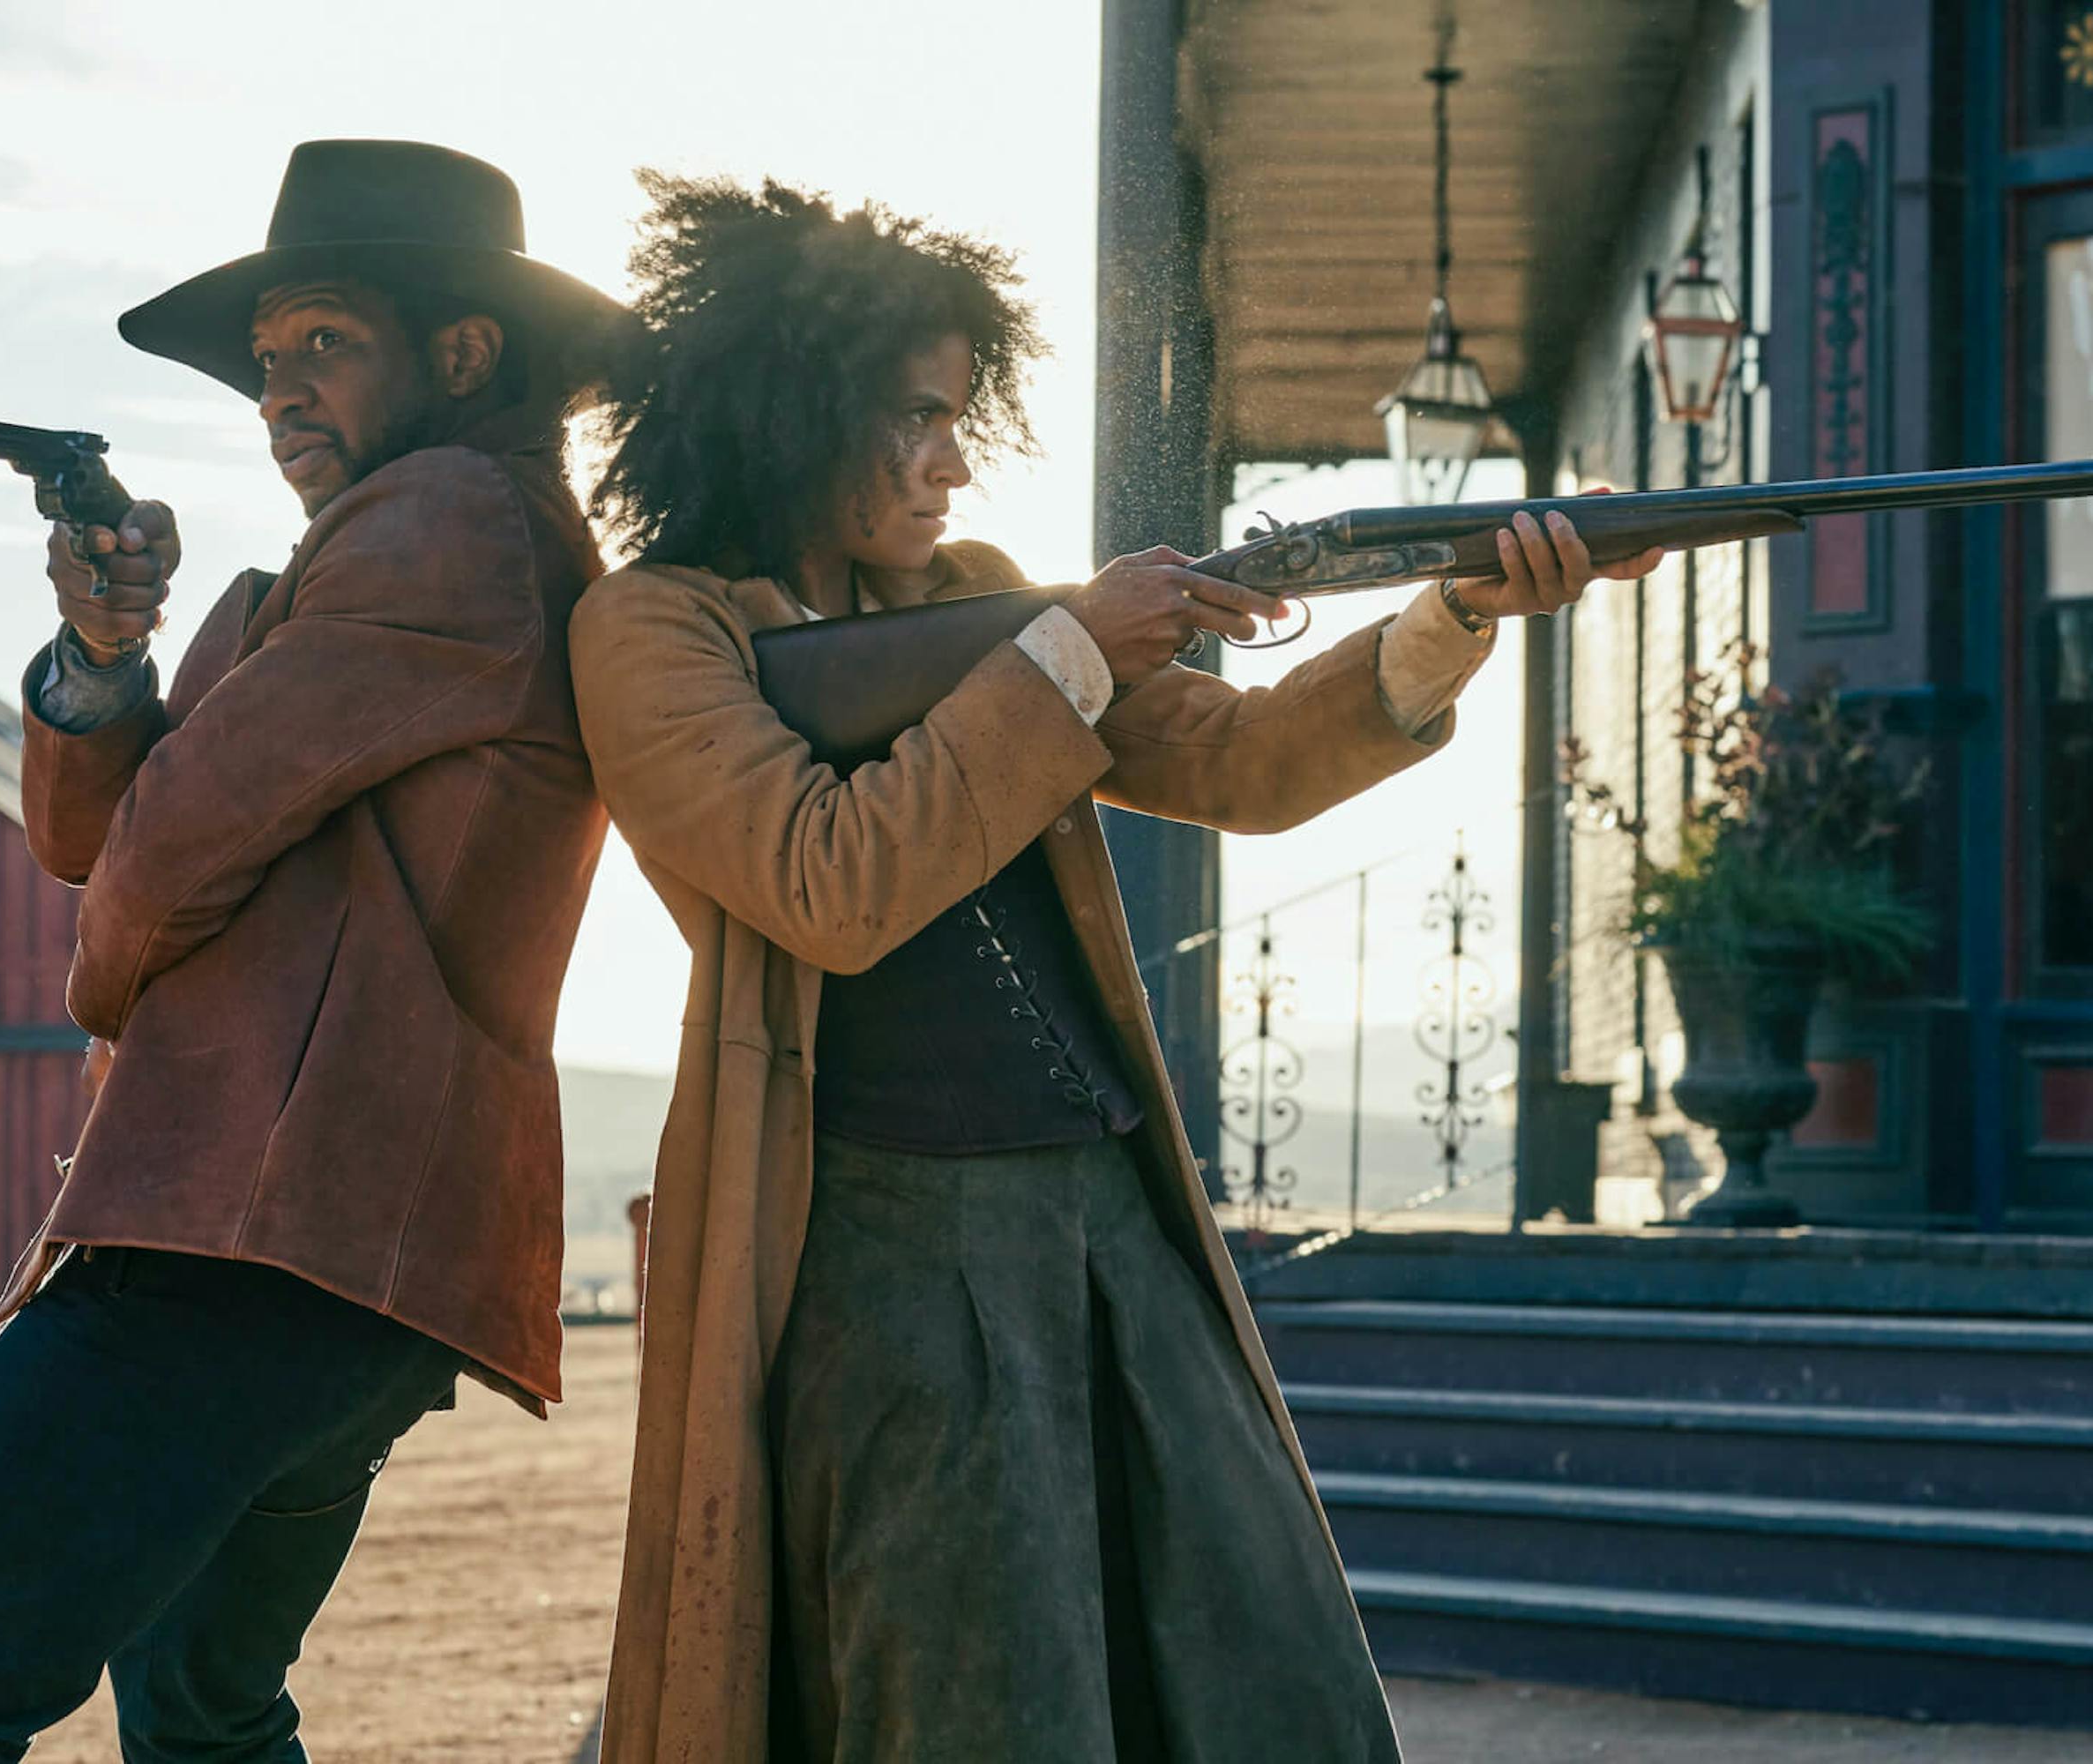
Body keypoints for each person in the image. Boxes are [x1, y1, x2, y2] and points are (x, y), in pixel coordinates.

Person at [571, 176, 1661, 1764]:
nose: (954, 457)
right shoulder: (653, 629)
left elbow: (1246, 767)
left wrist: (1447, 613)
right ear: (793, 407)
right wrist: (1072, 652)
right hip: (885, 1239)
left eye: (960, 413)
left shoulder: (966, 601)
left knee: (1261, 1668)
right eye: (916, 416)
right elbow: (831, 882)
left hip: (1111, 1213)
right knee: (970, 1701)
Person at [0, 139, 622, 1760]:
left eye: (323, 341)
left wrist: (114, 990)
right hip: (330, 1254)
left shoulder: (445, 513)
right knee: (202, 1720)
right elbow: (98, 832)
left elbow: (156, 857)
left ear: (461, 354)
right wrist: (112, 651)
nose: (279, 393)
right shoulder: (393, 550)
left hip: (245, 1230)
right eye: (265, 361)